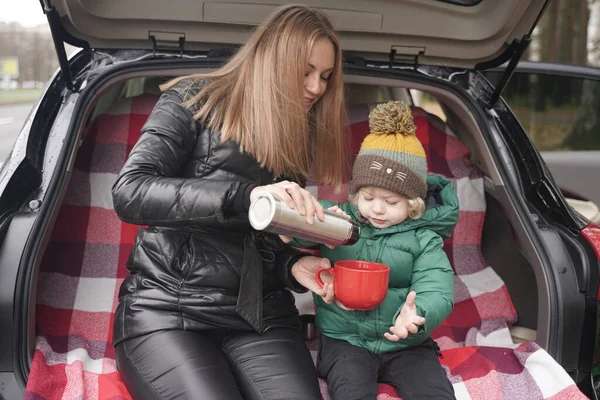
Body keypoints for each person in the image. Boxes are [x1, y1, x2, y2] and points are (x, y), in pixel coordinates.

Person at [110, 5, 348, 400]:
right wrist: (245, 196)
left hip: (260, 317)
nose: (317, 88)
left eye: (324, 76)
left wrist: (294, 267)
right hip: (167, 311)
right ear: (271, 60)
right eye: (306, 71)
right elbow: (130, 191)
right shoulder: (193, 98)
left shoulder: (295, 133)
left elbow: (263, 239)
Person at [289, 101, 459, 399]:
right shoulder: (338, 220)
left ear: (413, 204)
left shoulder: (424, 240)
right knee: (351, 390)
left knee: (435, 394)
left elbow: (438, 289)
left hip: (406, 345)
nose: (377, 209)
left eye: (392, 202)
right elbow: (290, 230)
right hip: (345, 340)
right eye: (368, 197)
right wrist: (319, 223)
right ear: (356, 194)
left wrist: (417, 316)